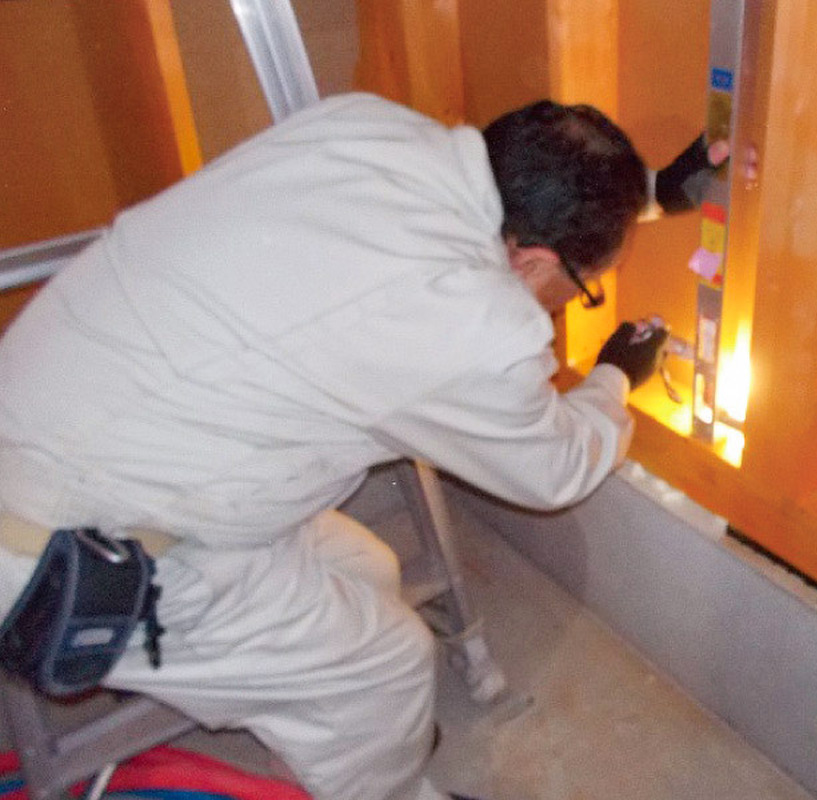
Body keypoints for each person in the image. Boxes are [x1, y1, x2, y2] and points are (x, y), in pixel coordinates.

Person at [0, 94, 717, 800]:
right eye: (585, 288)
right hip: (72, 553)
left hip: (78, 426)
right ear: (529, 262)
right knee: (387, 666)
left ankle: (341, 749)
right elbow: (554, 467)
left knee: (369, 570)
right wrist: (614, 377)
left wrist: (653, 193)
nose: (576, 300)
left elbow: (535, 197)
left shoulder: (364, 128)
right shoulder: (465, 320)